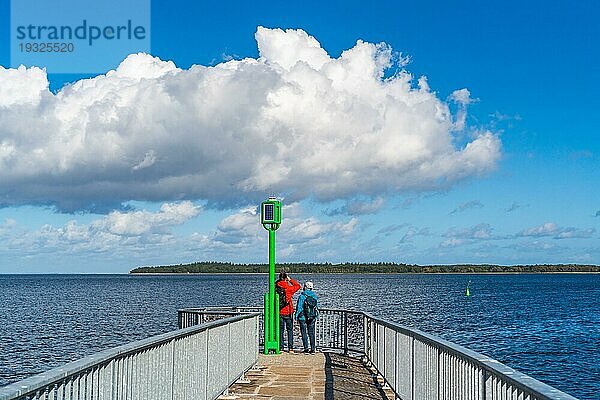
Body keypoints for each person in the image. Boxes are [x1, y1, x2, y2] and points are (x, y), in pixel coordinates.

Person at [276, 271, 301, 353]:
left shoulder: (276, 287)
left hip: (279, 312)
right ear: (286, 278)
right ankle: (290, 348)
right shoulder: (288, 288)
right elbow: (298, 286)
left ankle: (281, 347)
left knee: (280, 330)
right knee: (290, 330)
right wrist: (290, 280)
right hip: (288, 312)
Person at [296, 281, 318, 354]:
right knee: (311, 333)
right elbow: (316, 307)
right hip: (312, 317)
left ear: (305, 287)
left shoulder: (302, 296)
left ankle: (306, 349)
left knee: (304, 333)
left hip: (303, 317)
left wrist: (296, 316)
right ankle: (313, 349)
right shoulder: (314, 296)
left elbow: (299, 307)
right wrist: (316, 315)